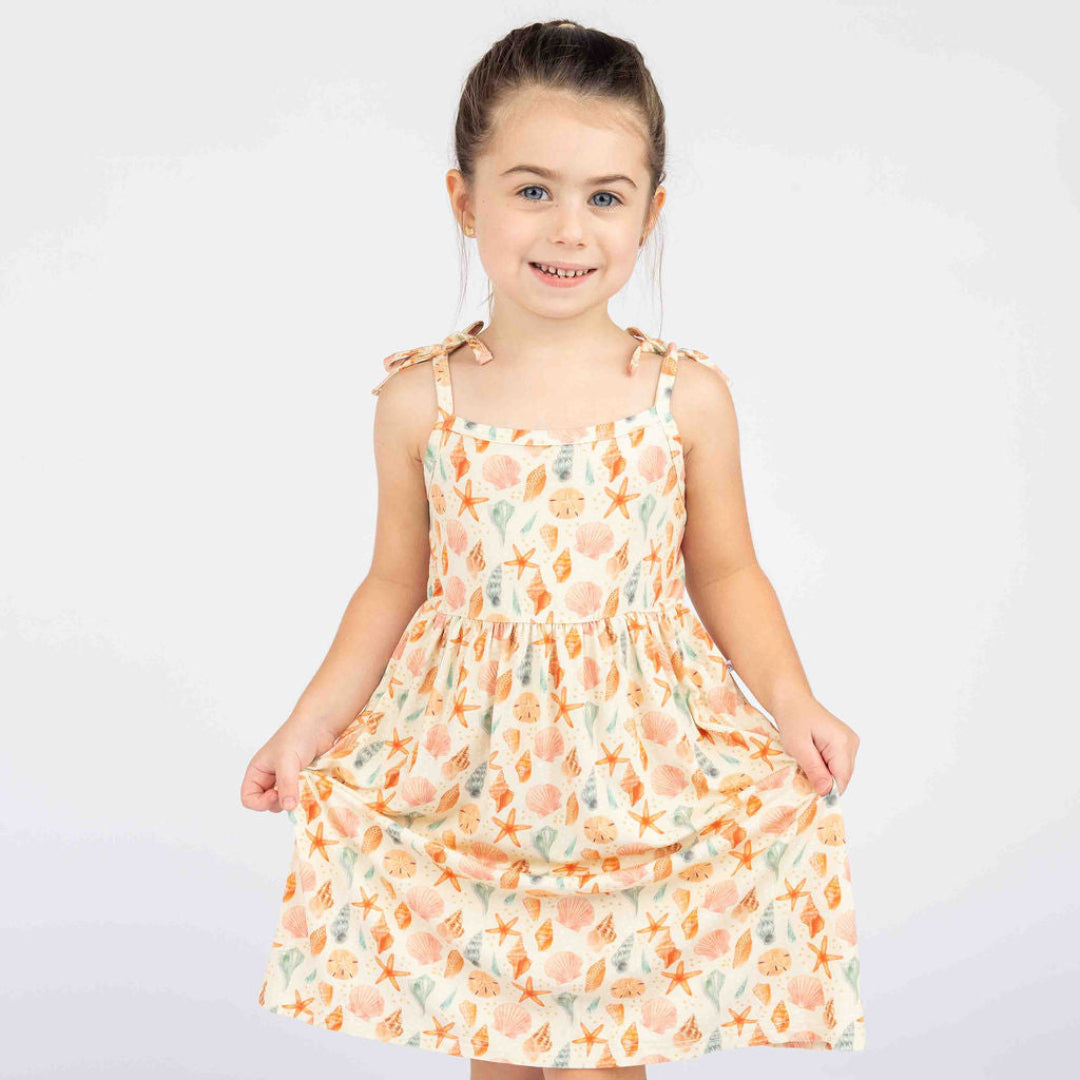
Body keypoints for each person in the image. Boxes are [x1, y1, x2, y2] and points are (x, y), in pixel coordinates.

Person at [243, 17, 867, 1074]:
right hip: (475, 771)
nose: (569, 228)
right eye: (532, 189)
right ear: (464, 199)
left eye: (605, 197)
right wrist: (305, 729)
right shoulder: (418, 402)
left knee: (612, 1052)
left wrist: (795, 703)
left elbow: (723, 570)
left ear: (651, 213)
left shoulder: (686, 398)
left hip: (643, 768)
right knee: (501, 1046)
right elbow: (394, 583)